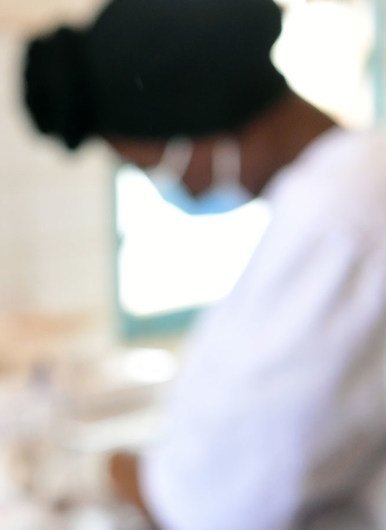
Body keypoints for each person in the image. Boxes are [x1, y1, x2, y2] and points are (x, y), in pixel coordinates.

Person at [24, 0, 386, 528]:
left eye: (154, 167)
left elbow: (218, 500)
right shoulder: (353, 178)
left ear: (199, 128)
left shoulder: (334, 221)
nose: (181, 187)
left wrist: (105, 470)